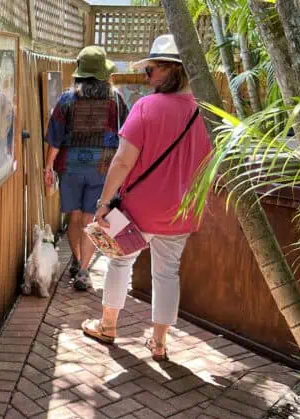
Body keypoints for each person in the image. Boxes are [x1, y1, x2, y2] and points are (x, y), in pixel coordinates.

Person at [81, 34, 212, 361]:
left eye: (150, 71)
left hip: (137, 208)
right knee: (167, 273)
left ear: (170, 70)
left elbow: (123, 161)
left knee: (120, 262)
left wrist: (102, 203)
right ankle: (159, 344)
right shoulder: (206, 113)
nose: (146, 78)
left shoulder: (146, 107)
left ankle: (108, 326)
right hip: (182, 211)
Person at [44, 46, 127, 291]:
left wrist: (48, 167)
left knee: (75, 217)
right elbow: (127, 134)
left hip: (70, 166)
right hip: (103, 166)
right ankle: (83, 270)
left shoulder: (67, 99)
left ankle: (78, 260)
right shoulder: (116, 98)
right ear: (103, 72)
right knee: (92, 219)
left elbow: (55, 138)